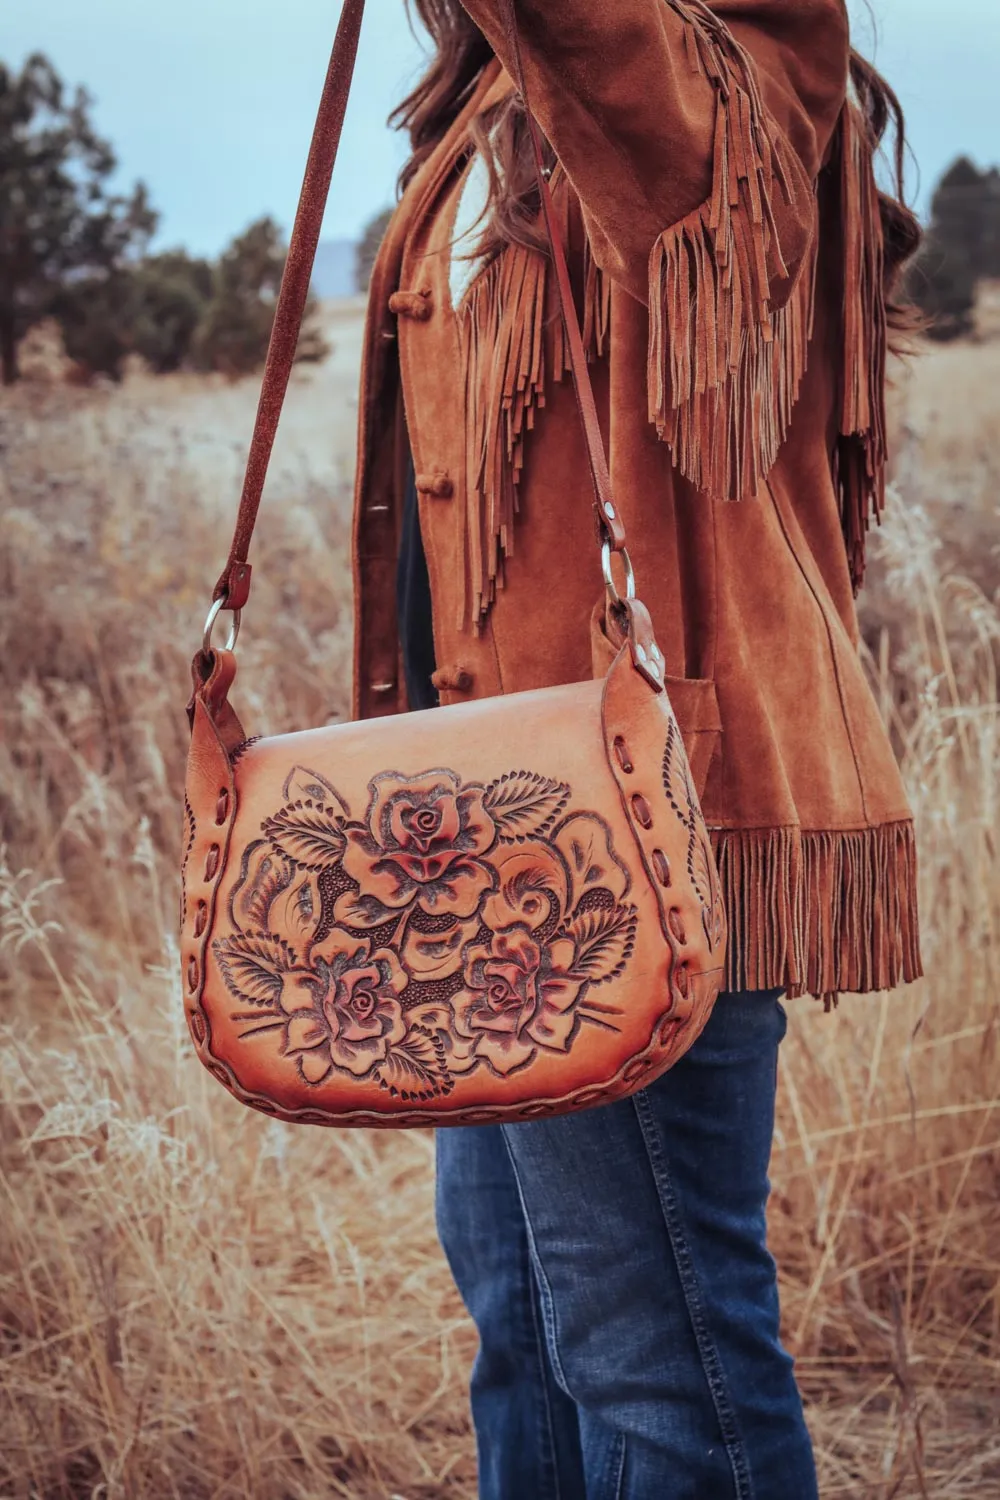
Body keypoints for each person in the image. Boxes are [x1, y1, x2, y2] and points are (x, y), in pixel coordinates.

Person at [350, 2, 924, 1494]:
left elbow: (626, 81)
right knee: (526, 1331)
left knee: (652, 1351)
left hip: (643, 814)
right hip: (483, 813)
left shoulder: (735, 64)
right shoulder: (490, 109)